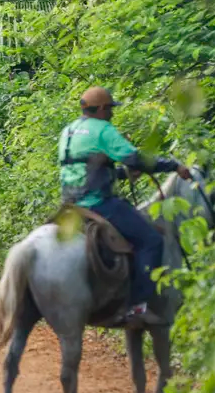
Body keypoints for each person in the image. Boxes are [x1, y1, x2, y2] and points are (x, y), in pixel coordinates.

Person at [58, 86, 192, 324]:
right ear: (100, 109)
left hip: (69, 205)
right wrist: (173, 165)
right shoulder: (103, 130)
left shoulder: (69, 131)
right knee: (151, 240)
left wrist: (119, 174)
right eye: (109, 108)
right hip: (97, 203)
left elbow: (82, 169)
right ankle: (137, 307)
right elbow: (136, 158)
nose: (111, 113)